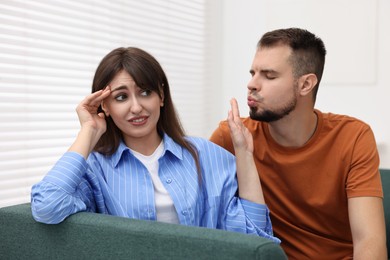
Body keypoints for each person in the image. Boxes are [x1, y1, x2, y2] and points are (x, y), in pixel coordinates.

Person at [30, 47, 280, 243]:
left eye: (145, 92)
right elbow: (47, 206)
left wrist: (245, 154)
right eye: (121, 97)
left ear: (161, 95)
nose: (136, 107)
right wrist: (89, 130)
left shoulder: (207, 155)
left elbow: (254, 238)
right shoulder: (94, 169)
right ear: (104, 106)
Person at [210, 28, 386, 259]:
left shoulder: (353, 137)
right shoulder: (233, 137)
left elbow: (369, 241)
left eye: (269, 75)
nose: (252, 84)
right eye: (253, 73)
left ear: (305, 85)